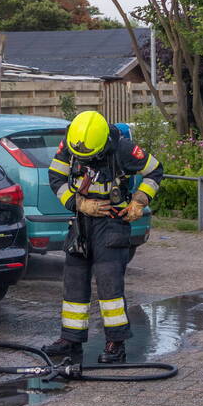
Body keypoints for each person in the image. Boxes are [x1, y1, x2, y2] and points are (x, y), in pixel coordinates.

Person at [41, 110, 163, 364]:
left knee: (109, 285)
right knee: (74, 281)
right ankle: (70, 341)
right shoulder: (72, 144)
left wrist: (139, 201)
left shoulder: (123, 149)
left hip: (112, 223)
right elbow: (56, 177)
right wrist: (77, 203)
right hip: (81, 223)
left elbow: (154, 170)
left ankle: (115, 344)